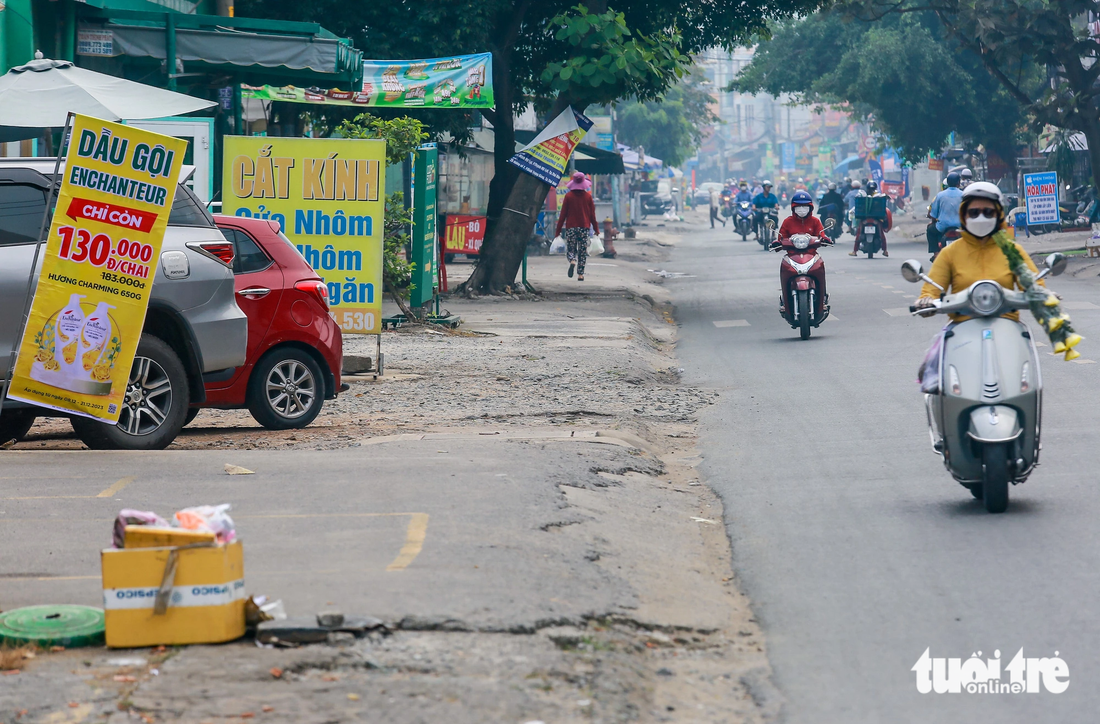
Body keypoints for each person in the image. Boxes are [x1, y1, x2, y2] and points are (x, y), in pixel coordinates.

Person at [915, 182, 1043, 320]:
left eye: (988, 212)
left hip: (1007, 328)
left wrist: (1044, 296)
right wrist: (926, 300)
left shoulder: (1012, 252)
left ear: (999, 214)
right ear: (964, 215)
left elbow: (1034, 285)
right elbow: (932, 287)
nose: (980, 218)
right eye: (974, 212)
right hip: (961, 330)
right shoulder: (949, 253)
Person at [777, 191, 828, 308]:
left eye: (805, 206)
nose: (802, 209)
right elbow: (781, 237)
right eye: (798, 206)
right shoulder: (788, 222)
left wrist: (825, 239)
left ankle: (822, 299)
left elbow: (822, 235)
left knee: (821, 267)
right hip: (792, 256)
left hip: (811, 255)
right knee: (784, 268)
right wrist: (777, 242)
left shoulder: (815, 221)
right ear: (793, 207)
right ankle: (785, 300)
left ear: (810, 207)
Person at [555, 171, 600, 281]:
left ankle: (572, 260)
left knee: (571, 248)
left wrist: (558, 231)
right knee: (582, 250)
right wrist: (596, 229)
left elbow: (563, 215)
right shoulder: (588, 197)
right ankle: (580, 274)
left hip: (571, 227)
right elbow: (592, 215)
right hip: (584, 227)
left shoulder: (568, 196)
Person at [849, 180, 891, 257]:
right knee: (881, 234)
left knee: (859, 233)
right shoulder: (878, 197)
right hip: (876, 219)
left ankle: (855, 251)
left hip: (865, 218)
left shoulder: (862, 197)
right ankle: (885, 251)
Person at [928, 172, 964, 260]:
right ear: (958, 183)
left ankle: (936, 253)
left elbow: (933, 215)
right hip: (960, 227)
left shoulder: (940, 195)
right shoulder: (964, 195)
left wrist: (932, 223)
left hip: (942, 227)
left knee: (930, 230)